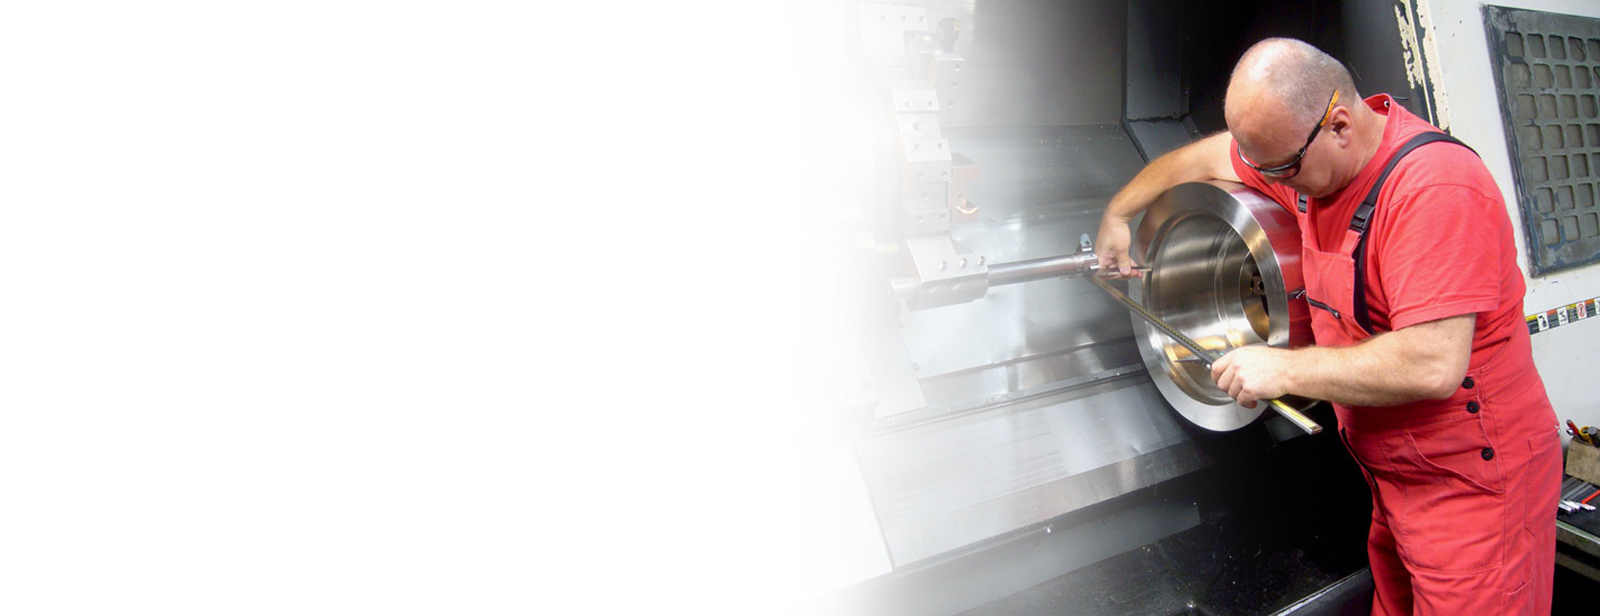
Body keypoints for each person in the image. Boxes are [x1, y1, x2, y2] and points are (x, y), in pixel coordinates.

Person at [1095, 38, 1561, 615]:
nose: (1272, 181)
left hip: (1473, 489)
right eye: (1262, 167)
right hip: (1396, 479)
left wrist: (1284, 368)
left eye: (1282, 169)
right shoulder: (1302, 153)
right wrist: (1120, 211)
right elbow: (1204, 158)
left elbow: (1433, 362)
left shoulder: (1433, 188)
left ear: (1339, 124)